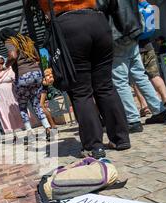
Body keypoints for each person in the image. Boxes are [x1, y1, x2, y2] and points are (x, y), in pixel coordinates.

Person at [38, 0, 131, 158]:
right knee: (106, 86)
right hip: (97, 21)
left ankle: (93, 145)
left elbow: (46, 9)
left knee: (81, 92)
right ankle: (120, 138)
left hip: (69, 25)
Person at [103, 0, 166, 133]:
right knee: (140, 75)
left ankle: (133, 120)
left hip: (118, 35)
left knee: (120, 80)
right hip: (133, 32)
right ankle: (159, 110)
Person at [0, 28, 52, 142]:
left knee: (23, 106)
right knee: (36, 104)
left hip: (23, 76)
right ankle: (48, 128)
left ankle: (30, 132)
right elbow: (37, 58)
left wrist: (6, 66)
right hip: (37, 74)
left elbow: (12, 56)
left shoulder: (10, 41)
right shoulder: (26, 40)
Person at [137, 0, 166, 113]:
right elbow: (154, 24)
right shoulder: (148, 7)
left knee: (136, 80)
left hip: (135, 48)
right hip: (148, 46)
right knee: (155, 75)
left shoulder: (130, 7)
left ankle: (144, 106)